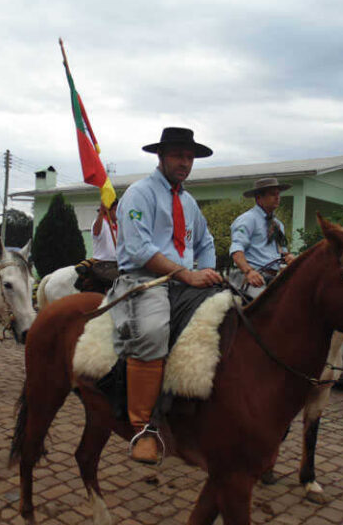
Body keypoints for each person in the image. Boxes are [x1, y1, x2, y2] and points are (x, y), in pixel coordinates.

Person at [110, 127, 222, 464]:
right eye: (178, 155)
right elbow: (139, 248)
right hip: (145, 280)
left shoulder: (188, 202)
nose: (184, 162)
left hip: (184, 281)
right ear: (161, 157)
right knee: (154, 330)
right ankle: (144, 427)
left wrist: (209, 273)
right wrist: (185, 273)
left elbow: (206, 242)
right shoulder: (138, 194)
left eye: (189, 157)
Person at [228, 178, 295, 300]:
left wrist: (288, 257)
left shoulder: (278, 225)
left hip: (273, 278)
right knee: (266, 307)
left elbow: (282, 252)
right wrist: (249, 272)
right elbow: (237, 250)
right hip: (250, 277)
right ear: (259, 198)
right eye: (272, 194)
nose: (277, 197)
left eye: (278, 194)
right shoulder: (247, 219)